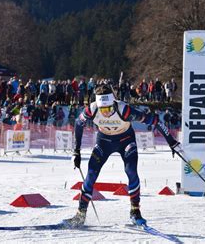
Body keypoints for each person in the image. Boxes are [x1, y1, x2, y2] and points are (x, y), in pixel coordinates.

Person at [65, 84, 182, 227]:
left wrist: (172, 142)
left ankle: (135, 212)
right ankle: (80, 215)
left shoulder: (125, 110)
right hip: (104, 142)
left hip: (125, 141)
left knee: (131, 171)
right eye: (103, 109)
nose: (106, 112)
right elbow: (78, 123)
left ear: (114, 103)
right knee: (91, 174)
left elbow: (155, 121)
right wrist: (76, 151)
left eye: (109, 108)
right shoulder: (92, 109)